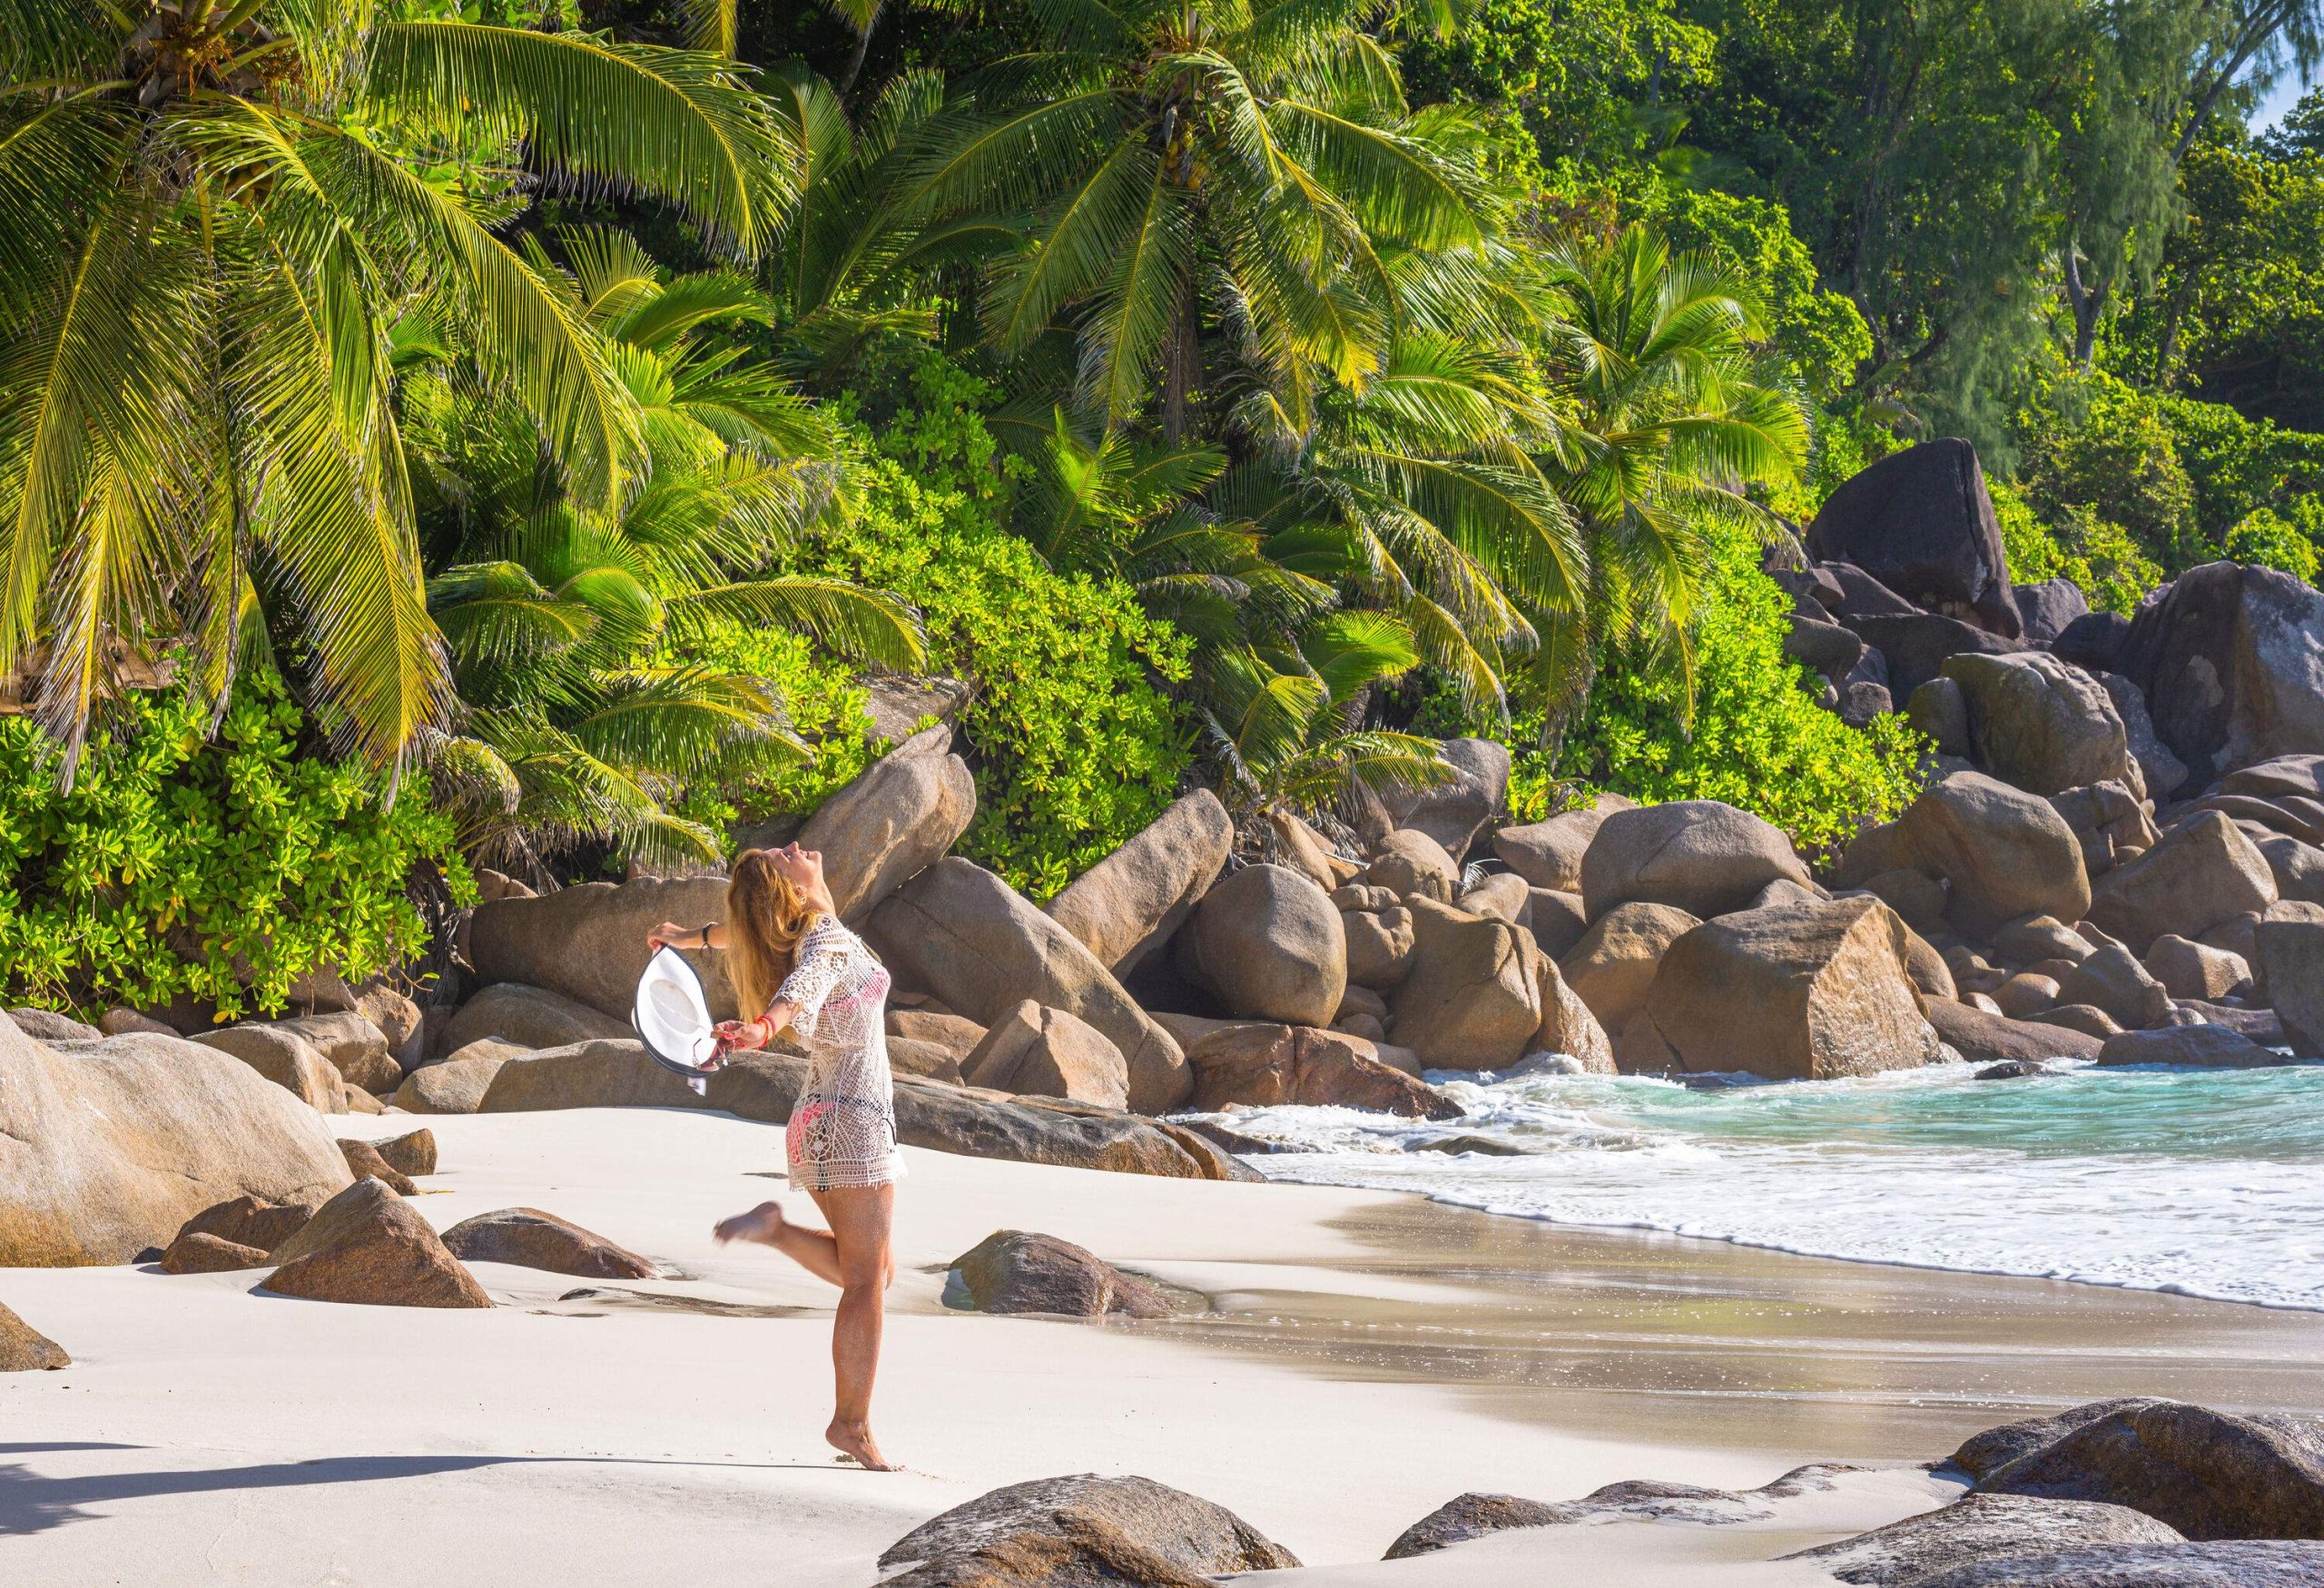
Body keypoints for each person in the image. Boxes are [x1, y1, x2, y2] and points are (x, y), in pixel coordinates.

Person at [649, 843, 902, 1471]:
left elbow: (747, 932)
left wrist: (687, 937)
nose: (800, 848)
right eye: (786, 855)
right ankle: (852, 1424)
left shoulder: (812, 926)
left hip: (822, 1120)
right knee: (867, 1280)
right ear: (790, 893)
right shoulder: (824, 938)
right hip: (852, 1122)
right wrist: (765, 1026)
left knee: (873, 1273)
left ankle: (775, 1229)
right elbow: (803, 985)